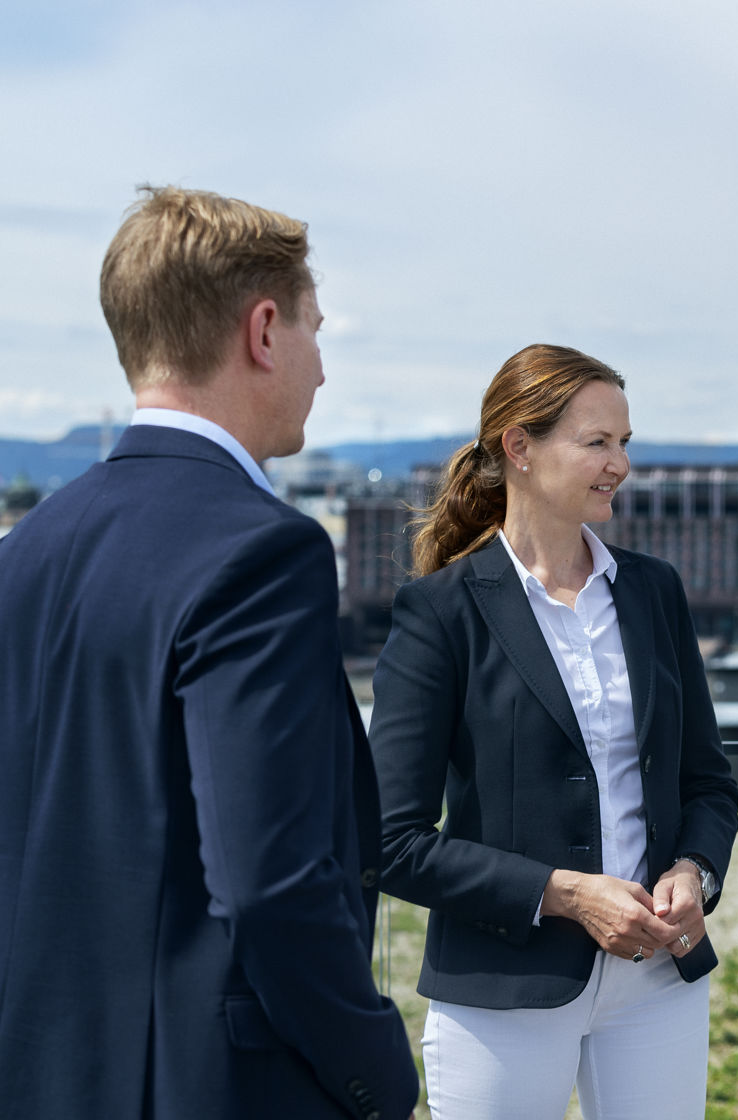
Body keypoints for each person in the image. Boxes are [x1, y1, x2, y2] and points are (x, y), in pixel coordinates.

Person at [0, 187, 418, 1118]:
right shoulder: (263, 550)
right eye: (317, 329)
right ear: (264, 331)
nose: (320, 368)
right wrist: (375, 1067)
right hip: (212, 1087)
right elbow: (272, 882)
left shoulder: (24, 550)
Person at [371, 343, 738, 1119]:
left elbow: (707, 780)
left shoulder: (652, 592)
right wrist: (566, 895)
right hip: (502, 991)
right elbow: (389, 840)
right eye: (597, 442)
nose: (620, 464)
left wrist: (695, 871)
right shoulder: (442, 612)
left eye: (625, 442)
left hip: (656, 981)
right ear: (520, 447)